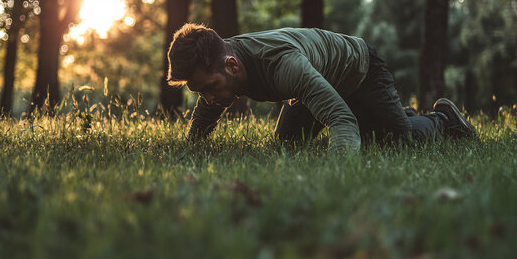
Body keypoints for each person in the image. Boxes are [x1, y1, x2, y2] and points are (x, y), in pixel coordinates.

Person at [166, 23, 476, 151]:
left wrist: (339, 173)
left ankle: (441, 119)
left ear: (232, 66)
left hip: (360, 70)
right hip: (309, 87)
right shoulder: (218, 63)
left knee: (400, 142)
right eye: (199, 91)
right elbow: (205, 115)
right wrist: (188, 151)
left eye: (210, 88)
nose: (208, 98)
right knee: (286, 148)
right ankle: (396, 114)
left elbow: (341, 121)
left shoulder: (284, 66)